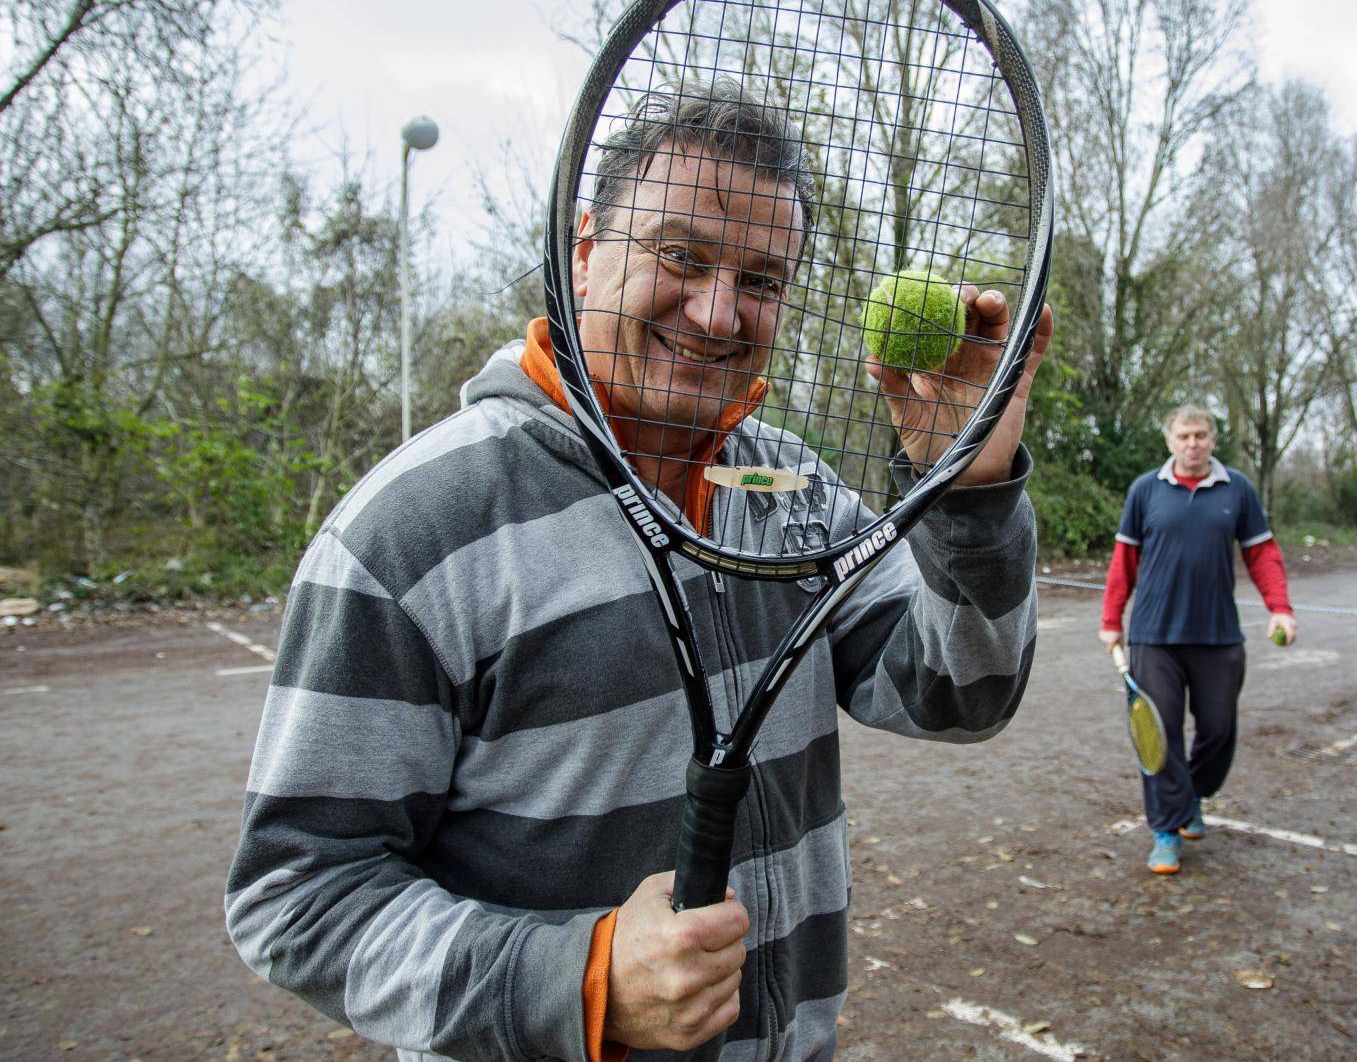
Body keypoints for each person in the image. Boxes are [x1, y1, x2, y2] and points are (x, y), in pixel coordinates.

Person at [226, 80, 1052, 1062]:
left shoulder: (793, 492)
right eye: (681, 256)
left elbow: (963, 692)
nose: (716, 313)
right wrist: (581, 984)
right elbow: (299, 891)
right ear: (583, 257)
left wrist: (971, 482)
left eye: (760, 278)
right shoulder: (414, 529)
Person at [1098, 405, 1296, 875]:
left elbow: (1262, 554)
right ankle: (1167, 830)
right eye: (1184, 436)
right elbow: (1123, 559)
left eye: (1201, 435)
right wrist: (1111, 618)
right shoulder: (1146, 490)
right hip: (1154, 636)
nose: (1193, 443)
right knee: (1159, 735)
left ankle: (1192, 795)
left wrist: (1280, 608)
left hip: (1218, 635)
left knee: (1219, 730)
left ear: (1212, 439)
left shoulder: (1238, 490)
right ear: (1170, 441)